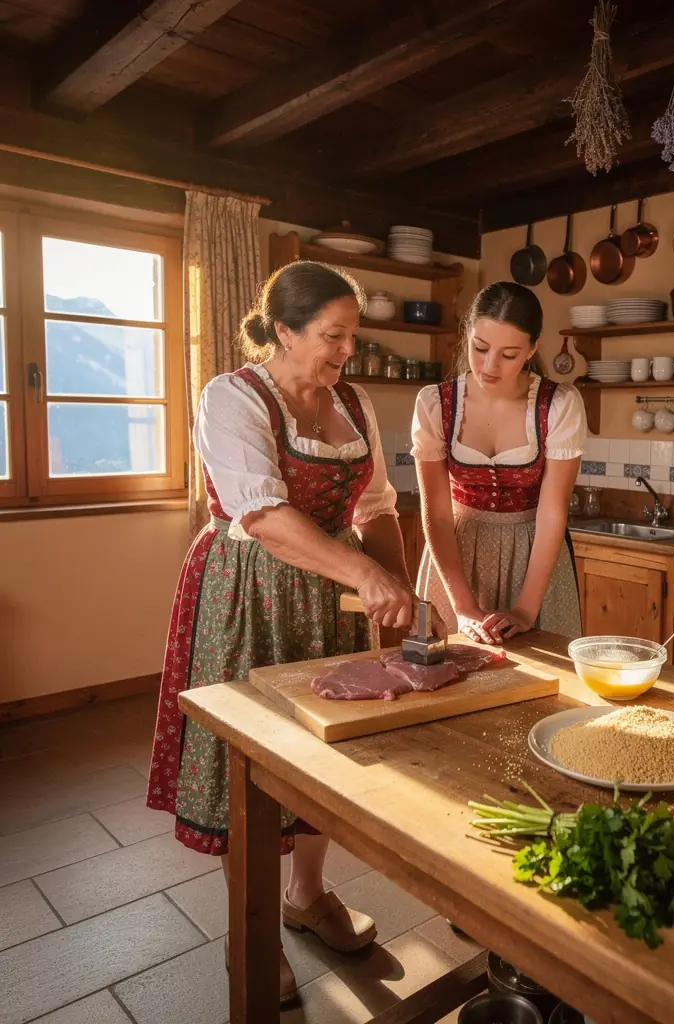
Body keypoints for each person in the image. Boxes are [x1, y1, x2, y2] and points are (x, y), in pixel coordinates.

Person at [146, 261, 413, 1005]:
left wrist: (402, 595)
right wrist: (362, 577)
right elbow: (260, 516)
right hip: (250, 592)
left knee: (321, 751)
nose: (345, 354)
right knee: (253, 765)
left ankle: (307, 895)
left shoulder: (354, 401)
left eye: (351, 338)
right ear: (284, 331)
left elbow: (376, 506)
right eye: (333, 337)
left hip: (332, 597)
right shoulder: (232, 396)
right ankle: (250, 926)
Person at [411, 281, 585, 644]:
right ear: (468, 335)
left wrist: (525, 608)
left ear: (532, 348)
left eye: (508, 354)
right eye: (480, 347)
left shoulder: (558, 405)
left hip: (533, 559)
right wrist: (462, 606)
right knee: (450, 678)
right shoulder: (434, 404)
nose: (489, 365)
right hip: (456, 558)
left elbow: (552, 513)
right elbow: (438, 514)